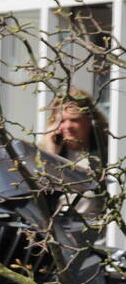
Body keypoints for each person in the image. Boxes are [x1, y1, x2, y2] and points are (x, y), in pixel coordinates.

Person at [38, 89, 108, 225]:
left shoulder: (104, 156)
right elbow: (37, 198)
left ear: (89, 121)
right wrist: (50, 153)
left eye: (75, 120)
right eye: (62, 121)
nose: (68, 126)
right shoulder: (48, 154)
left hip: (91, 233)